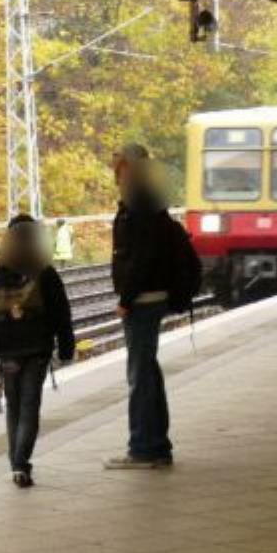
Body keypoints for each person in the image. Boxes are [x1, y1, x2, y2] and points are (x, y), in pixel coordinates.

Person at [0, 214, 75, 488]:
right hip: (37, 349)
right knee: (29, 407)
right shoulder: (44, 272)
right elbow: (62, 313)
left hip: (8, 351)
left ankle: (16, 464)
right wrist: (66, 346)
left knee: (13, 407)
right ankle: (21, 464)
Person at [104, 143, 174, 469]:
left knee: (140, 376)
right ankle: (157, 445)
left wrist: (125, 299)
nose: (116, 175)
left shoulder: (137, 202)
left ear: (129, 169)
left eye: (119, 168)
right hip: (151, 296)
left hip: (142, 300)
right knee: (148, 372)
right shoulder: (149, 199)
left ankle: (144, 448)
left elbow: (140, 258)